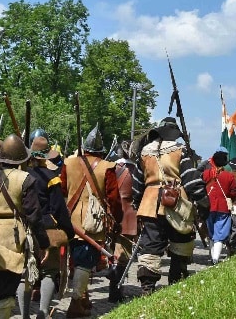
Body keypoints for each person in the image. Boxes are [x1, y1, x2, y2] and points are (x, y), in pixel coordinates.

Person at [0, 134, 46, 319]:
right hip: (12, 238)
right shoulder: (26, 179)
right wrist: (42, 243)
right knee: (4, 287)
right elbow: (34, 216)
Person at [131, 117, 207, 295]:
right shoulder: (180, 150)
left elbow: (136, 184)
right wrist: (202, 199)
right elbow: (190, 178)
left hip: (149, 204)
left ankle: (147, 287)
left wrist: (138, 203)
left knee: (151, 246)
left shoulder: (144, 153)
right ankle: (176, 280)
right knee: (180, 242)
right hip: (177, 203)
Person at [61, 125, 121, 319]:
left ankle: (83, 298)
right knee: (84, 263)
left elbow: (61, 191)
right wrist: (116, 220)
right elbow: (113, 198)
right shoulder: (108, 167)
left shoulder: (68, 163)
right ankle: (75, 303)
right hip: (92, 222)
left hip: (70, 220)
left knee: (79, 261)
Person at [25, 133, 74, 319]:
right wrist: (67, 231)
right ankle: (43, 312)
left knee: (26, 274)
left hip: (26, 227)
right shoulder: (52, 178)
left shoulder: (22, 174)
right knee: (49, 272)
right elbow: (59, 209)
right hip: (47, 228)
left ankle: (24, 316)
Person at [107, 140, 138, 302]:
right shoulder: (135, 170)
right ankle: (115, 291)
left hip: (111, 215)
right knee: (121, 256)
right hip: (128, 216)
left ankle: (115, 288)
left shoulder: (110, 168)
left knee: (113, 253)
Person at [201, 147, 236, 265]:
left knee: (211, 233)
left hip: (208, 207)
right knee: (220, 234)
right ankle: (215, 259)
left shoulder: (205, 174)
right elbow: (233, 193)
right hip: (223, 208)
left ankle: (213, 257)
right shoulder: (230, 176)